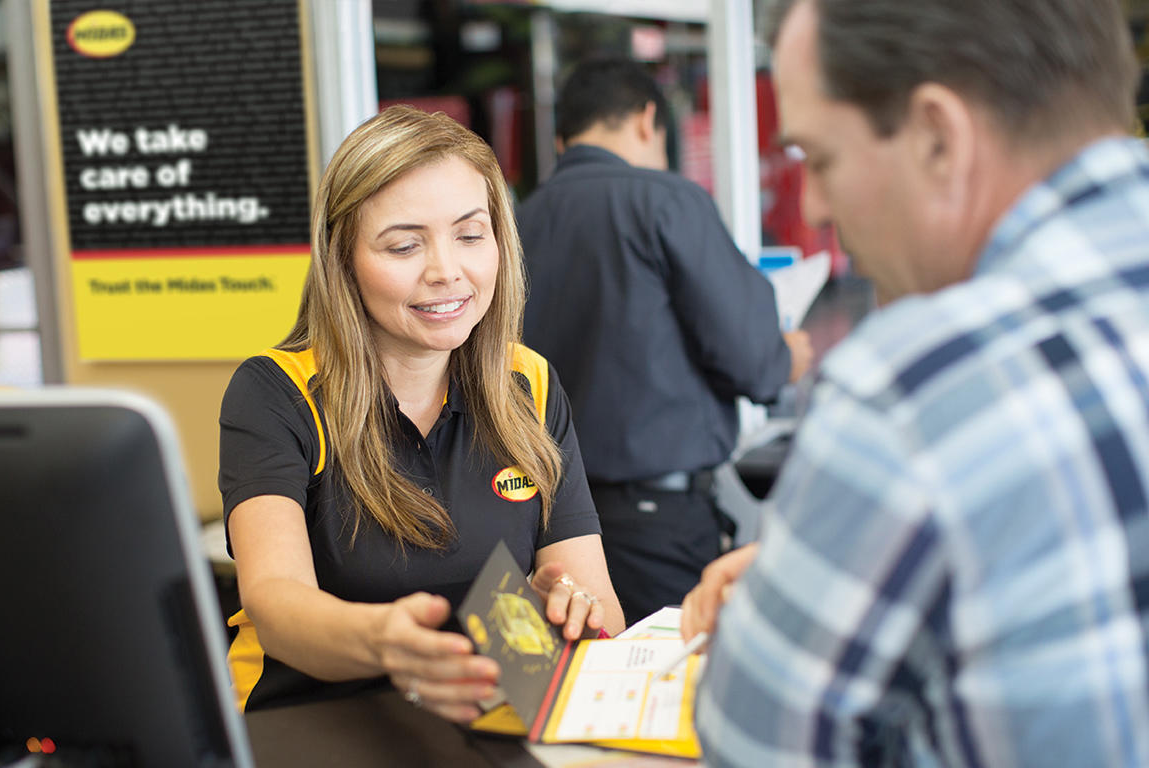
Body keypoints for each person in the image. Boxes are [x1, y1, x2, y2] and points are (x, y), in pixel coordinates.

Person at [684, 0, 1149, 765]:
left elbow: (752, 748)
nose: (814, 207)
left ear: (938, 137)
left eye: (820, 160)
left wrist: (789, 607)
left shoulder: (909, 396)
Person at [218, 105, 625, 722]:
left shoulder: (529, 383)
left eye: (470, 235)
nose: (446, 272)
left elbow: (599, 605)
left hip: (484, 719)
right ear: (342, 259)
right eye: (405, 245)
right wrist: (384, 642)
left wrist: (571, 611)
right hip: (309, 723)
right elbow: (275, 604)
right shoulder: (276, 392)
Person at [517, 58, 813, 623]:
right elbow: (753, 360)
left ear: (562, 140)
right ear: (647, 119)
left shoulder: (514, 223)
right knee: (672, 669)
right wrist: (786, 358)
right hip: (659, 522)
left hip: (552, 529)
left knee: (590, 673)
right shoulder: (666, 201)